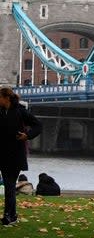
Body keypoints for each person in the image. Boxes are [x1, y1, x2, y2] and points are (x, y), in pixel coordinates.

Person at [0, 86, 43, 226]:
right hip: (2, 154)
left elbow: (38, 125)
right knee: (9, 186)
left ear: (6, 98)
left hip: (15, 155)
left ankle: (8, 215)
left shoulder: (20, 112)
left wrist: (27, 135)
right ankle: (11, 215)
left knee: (9, 185)